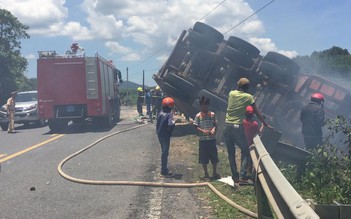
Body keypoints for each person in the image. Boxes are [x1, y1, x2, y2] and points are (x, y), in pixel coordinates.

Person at [223, 78, 268, 185]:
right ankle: (243, 176)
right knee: (246, 151)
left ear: (238, 85)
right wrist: (265, 123)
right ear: (247, 87)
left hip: (227, 126)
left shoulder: (231, 93)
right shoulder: (248, 97)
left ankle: (235, 176)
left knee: (231, 153)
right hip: (237, 128)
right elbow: (256, 111)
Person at [193, 96, 220, 181]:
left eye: (206, 105)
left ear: (208, 105)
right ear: (200, 105)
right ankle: (206, 174)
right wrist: (203, 131)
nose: (204, 106)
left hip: (211, 139)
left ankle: (214, 172)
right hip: (203, 140)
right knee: (203, 157)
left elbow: (216, 124)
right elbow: (195, 126)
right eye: (203, 105)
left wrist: (213, 129)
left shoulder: (212, 114)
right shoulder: (198, 116)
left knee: (214, 156)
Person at [156, 97, 176, 177]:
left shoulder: (160, 113)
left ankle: (164, 169)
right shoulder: (169, 115)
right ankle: (164, 170)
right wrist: (173, 123)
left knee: (163, 151)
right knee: (165, 153)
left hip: (160, 134)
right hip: (165, 135)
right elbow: (170, 124)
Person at [242, 105, 264, 179]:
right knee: (249, 159)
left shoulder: (243, 122)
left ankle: (244, 173)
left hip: (244, 142)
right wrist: (263, 125)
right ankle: (245, 173)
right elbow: (259, 132)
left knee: (244, 157)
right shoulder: (254, 124)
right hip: (251, 144)